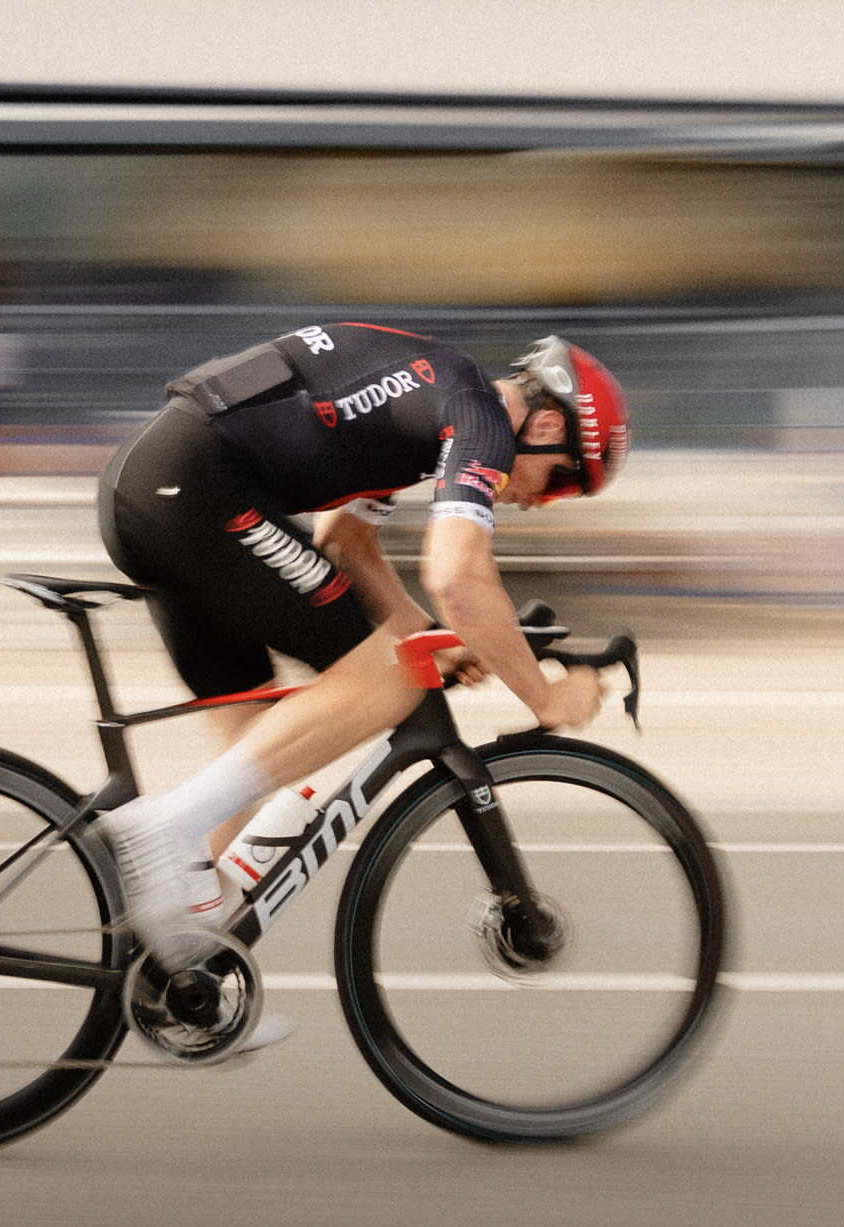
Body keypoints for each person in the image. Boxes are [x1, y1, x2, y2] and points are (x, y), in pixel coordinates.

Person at [96, 322, 630, 985]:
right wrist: (545, 696)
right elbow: (458, 574)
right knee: (389, 683)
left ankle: (177, 975)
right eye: (561, 482)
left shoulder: (425, 407)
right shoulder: (480, 416)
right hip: (196, 488)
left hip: (159, 485)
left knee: (258, 751)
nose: (543, 502)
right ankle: (165, 831)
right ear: (548, 429)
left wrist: (429, 637)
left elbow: (345, 542)